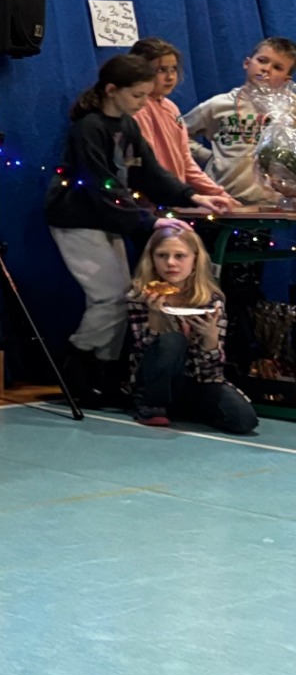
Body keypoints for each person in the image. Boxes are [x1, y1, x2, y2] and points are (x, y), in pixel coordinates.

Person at [46, 54, 208, 407]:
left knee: (122, 296)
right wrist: (149, 222)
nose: (142, 103)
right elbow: (100, 183)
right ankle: (75, 369)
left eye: (146, 96)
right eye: (137, 95)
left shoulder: (128, 126)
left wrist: (192, 196)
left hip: (107, 219)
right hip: (78, 219)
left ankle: (104, 373)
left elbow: (149, 171)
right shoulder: (89, 128)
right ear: (111, 90)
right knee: (110, 297)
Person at [125, 222, 258, 433]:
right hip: (152, 379)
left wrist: (210, 339)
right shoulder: (141, 295)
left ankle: (182, 407)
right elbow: (141, 354)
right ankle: (151, 406)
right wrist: (155, 317)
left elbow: (211, 373)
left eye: (180, 256)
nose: (171, 263)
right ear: (152, 259)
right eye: (162, 255)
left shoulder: (211, 301)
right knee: (173, 340)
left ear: (195, 260)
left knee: (243, 419)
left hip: (194, 379)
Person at [179, 37, 296, 205]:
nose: (266, 69)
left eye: (277, 67)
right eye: (262, 60)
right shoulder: (219, 105)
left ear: (286, 79)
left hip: (274, 204)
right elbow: (177, 134)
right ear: (247, 63)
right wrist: (208, 156)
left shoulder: (291, 109)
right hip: (224, 201)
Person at [127, 38, 236, 212]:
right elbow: (150, 164)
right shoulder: (138, 109)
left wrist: (220, 195)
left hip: (174, 199)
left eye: (173, 69)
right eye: (161, 70)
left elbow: (186, 161)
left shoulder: (171, 108)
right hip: (150, 203)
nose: (170, 77)